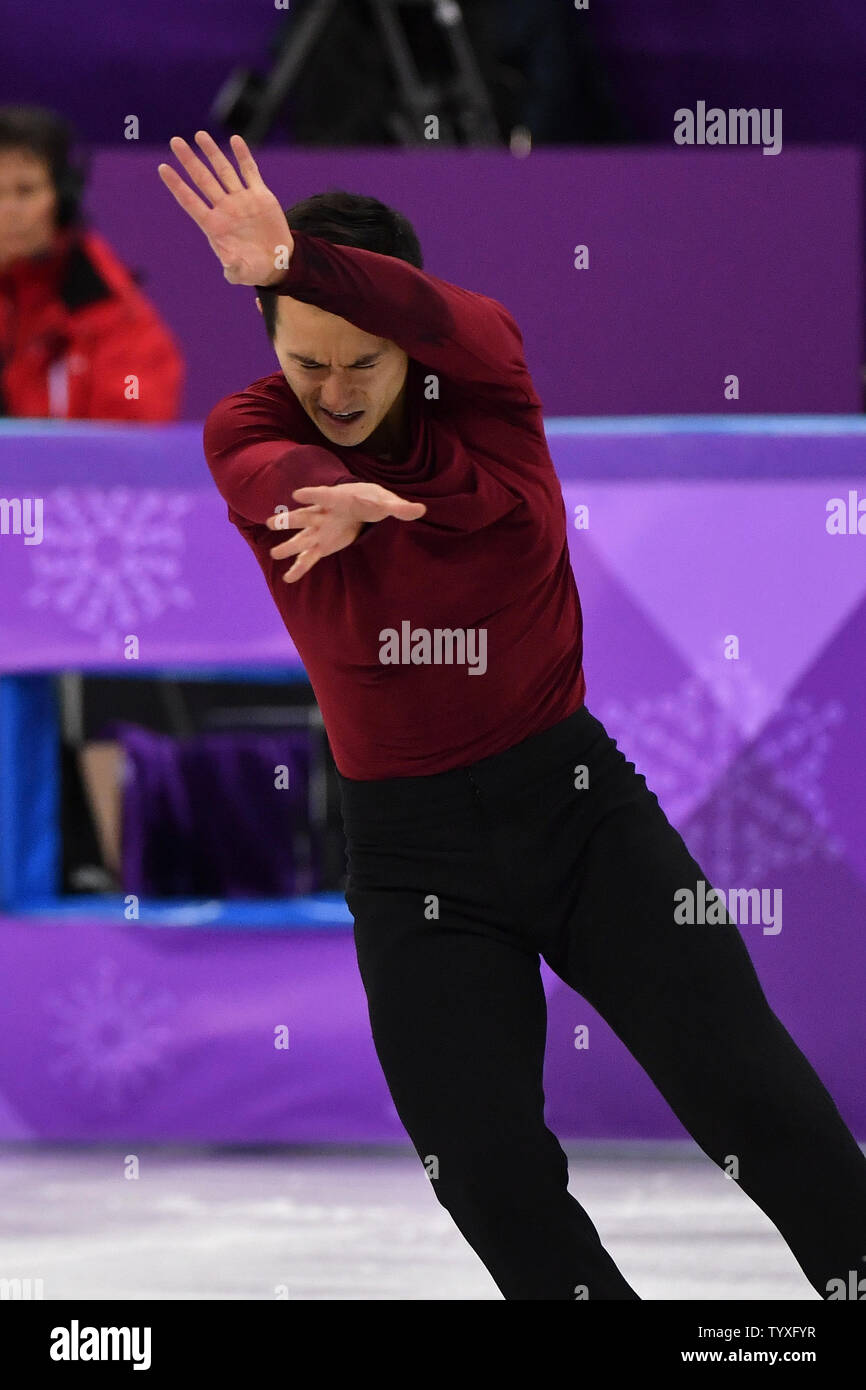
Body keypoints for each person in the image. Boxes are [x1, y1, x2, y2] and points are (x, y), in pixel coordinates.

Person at [159, 130, 866, 1300]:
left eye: (361, 363)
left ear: (412, 344)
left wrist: (298, 257)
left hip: (580, 816)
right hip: (406, 854)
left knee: (756, 1101)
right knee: (481, 1169)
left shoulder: (485, 389)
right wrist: (323, 492)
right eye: (306, 363)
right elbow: (260, 471)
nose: (330, 393)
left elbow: (468, 322)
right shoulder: (250, 428)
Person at [0, 106, 183, 420]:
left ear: (62, 199)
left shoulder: (110, 310)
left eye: (25, 191)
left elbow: (124, 450)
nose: (8, 209)